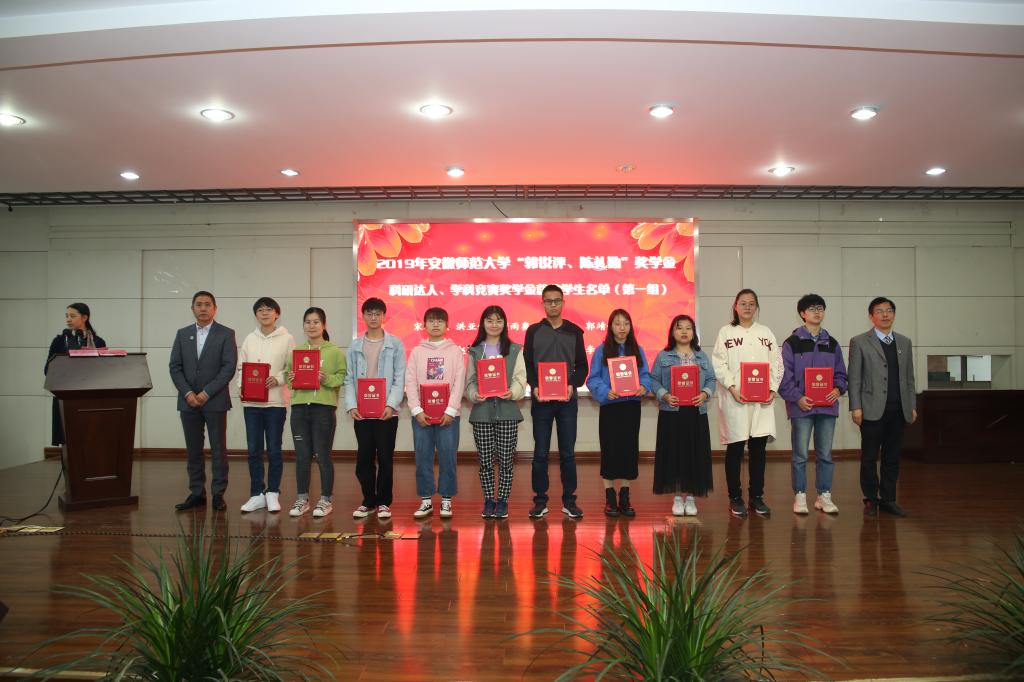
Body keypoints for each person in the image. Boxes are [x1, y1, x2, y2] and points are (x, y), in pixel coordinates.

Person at [711, 289, 783, 518]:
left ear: (757, 307)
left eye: (752, 303)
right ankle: (735, 497)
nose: (747, 307)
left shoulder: (766, 333)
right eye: (743, 303)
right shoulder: (726, 332)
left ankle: (756, 497)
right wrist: (732, 387)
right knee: (735, 450)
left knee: (758, 451)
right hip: (736, 400)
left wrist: (772, 389)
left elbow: (777, 363)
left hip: (761, 402)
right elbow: (719, 364)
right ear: (735, 306)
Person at [523, 285, 589, 520]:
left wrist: (573, 384)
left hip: (567, 401)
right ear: (542, 303)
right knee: (540, 452)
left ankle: (569, 501)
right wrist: (534, 385)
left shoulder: (574, 332)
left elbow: (582, 366)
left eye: (557, 300)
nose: (553, 305)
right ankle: (540, 500)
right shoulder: (533, 331)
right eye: (548, 301)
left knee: (568, 453)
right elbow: (527, 363)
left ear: (563, 302)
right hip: (541, 401)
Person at [848, 296, 917, 518]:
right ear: (871, 316)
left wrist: (911, 405)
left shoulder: (904, 342)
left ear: (894, 315)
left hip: (899, 409)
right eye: (880, 311)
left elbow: (909, 377)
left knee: (892, 457)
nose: (885, 315)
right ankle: (870, 499)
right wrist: (856, 407)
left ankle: (888, 499)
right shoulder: (860, 341)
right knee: (869, 457)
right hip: (871, 409)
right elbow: (854, 378)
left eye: (889, 310)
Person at [779, 294, 848, 516]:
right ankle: (800, 495)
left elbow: (841, 374)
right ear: (802, 313)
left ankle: (823, 495)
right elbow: (784, 377)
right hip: (801, 407)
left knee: (825, 454)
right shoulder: (791, 343)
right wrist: (797, 397)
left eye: (820, 308)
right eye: (811, 308)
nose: (817, 312)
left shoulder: (832, 343)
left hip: (827, 407)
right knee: (800, 455)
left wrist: (838, 389)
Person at [169, 291, 237, 512]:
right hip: (188, 401)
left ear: (215, 309)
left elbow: (228, 367)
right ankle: (197, 492)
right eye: (198, 304)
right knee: (193, 449)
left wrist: (207, 392)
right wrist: (188, 393)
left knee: (218, 449)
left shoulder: (226, 333)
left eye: (207, 304)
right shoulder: (182, 334)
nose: (203, 308)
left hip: (215, 400)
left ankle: (218, 493)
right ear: (192, 309)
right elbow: (175, 367)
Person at [343, 297, 406, 520]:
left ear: (384, 316)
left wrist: (391, 404)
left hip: (387, 413)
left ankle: (384, 502)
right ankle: (368, 501)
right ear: (363, 316)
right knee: (364, 458)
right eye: (369, 313)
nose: (373, 317)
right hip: (362, 412)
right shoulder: (355, 345)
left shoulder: (395, 344)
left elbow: (399, 378)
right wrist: (351, 405)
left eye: (377, 313)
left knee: (386, 458)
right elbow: (349, 378)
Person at [586, 308, 652, 518]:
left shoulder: (637, 350)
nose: (622, 328)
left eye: (626, 323)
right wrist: (605, 391)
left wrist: (643, 387)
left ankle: (625, 495)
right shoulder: (601, 350)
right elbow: (592, 379)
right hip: (610, 406)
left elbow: (646, 375)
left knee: (628, 450)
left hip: (631, 407)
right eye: (617, 323)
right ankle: (610, 497)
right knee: (610, 450)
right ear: (610, 327)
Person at [649, 314, 715, 517]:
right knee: (674, 454)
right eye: (679, 328)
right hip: (672, 412)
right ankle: (678, 498)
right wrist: (664, 395)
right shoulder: (663, 356)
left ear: (693, 333)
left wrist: (705, 394)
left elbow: (711, 379)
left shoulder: (701, 356)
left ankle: (691, 498)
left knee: (695, 454)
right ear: (672, 332)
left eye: (688, 328)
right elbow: (653, 380)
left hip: (696, 412)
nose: (684, 331)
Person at [465, 305, 527, 520]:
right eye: (490, 320)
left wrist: (513, 392)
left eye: (499, 320)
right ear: (483, 323)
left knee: (506, 460)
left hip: (508, 412)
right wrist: (474, 395)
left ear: (505, 324)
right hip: (482, 413)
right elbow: (470, 381)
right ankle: (488, 500)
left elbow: (520, 377)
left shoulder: (515, 349)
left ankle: (502, 501)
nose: (494, 324)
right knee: (485, 461)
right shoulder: (474, 350)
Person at [284, 307, 346, 518]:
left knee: (322, 455)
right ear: (303, 325)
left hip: (323, 408)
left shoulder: (334, 352)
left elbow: (342, 377)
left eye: (316, 322)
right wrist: (291, 378)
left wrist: (326, 378)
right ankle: (302, 499)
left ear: (324, 325)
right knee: (302, 456)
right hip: (300, 408)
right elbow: (288, 376)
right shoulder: (297, 351)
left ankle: (326, 499)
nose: (311, 326)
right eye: (308, 322)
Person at [237, 297, 295, 514]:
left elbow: (291, 368)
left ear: (276, 314)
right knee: (253, 450)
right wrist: (241, 387)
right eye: (260, 310)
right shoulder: (249, 339)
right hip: (252, 404)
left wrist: (278, 379)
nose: (264, 313)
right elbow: (241, 368)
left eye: (269, 309)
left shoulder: (287, 338)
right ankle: (256, 494)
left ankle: (272, 492)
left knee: (274, 449)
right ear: (256, 315)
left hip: (275, 403)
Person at [406, 307, 465, 519]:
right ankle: (426, 500)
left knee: (448, 457)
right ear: (424, 325)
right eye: (431, 320)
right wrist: (416, 409)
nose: (436, 324)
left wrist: (451, 410)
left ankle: (446, 500)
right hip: (421, 415)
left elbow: (459, 382)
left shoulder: (455, 351)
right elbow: (410, 381)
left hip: (449, 416)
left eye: (440, 320)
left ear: (447, 325)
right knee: (423, 457)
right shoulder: (417, 352)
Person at [45, 302, 107, 446]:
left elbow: (103, 371)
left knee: (90, 438)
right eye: (66, 316)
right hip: (65, 394)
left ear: (84, 317)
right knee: (68, 441)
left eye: (72, 316)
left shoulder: (98, 342)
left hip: (90, 395)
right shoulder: (59, 341)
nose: (68, 319)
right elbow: (47, 370)